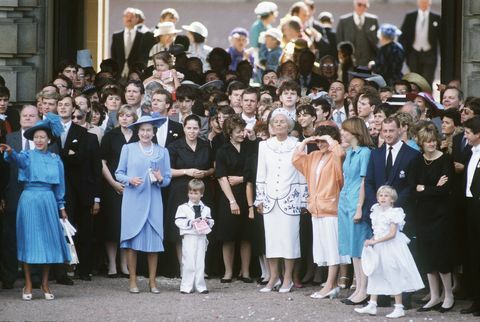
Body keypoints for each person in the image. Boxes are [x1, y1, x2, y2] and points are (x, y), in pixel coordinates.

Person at [0, 113, 71, 300]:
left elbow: (60, 186)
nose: (39, 140)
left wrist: (61, 207)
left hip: (48, 199)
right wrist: (9, 151)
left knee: (48, 242)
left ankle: (45, 284)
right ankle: (29, 284)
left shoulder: (56, 159)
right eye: (36, 137)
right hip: (29, 199)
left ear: (49, 139)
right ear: (33, 139)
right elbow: (17, 160)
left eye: (42, 137)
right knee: (28, 241)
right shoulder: (26, 156)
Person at [292, 125, 350, 299]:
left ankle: (331, 285)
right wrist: (305, 141)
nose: (319, 144)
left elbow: (340, 152)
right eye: (317, 141)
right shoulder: (314, 156)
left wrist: (330, 139)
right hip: (316, 208)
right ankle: (330, 284)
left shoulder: (335, 155)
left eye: (322, 140)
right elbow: (295, 159)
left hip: (331, 207)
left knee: (332, 248)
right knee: (324, 247)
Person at [115, 115, 171, 293]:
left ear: (154, 132)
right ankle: (132, 281)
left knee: (154, 243)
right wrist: (130, 179)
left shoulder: (162, 151)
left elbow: (167, 178)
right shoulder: (128, 148)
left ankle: (152, 282)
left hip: (154, 199)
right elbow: (118, 173)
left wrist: (162, 179)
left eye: (149, 130)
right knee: (132, 242)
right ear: (137, 132)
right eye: (142, 130)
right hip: (133, 199)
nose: (146, 133)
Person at [255, 109, 307, 293]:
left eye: (282, 121)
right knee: (272, 240)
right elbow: (261, 173)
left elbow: (302, 174)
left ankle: (288, 279)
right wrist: (259, 198)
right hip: (270, 198)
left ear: (289, 125)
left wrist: (303, 200)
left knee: (289, 240)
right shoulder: (264, 146)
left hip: (290, 198)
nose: (278, 124)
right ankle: (273, 277)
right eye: (275, 121)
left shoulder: (298, 145)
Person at [354, 186, 424, 319]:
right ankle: (372, 304)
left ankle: (399, 307)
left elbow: (392, 234)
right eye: (381, 195)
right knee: (375, 273)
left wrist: (376, 241)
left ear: (392, 199)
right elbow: (377, 231)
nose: (383, 198)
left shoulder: (395, 212)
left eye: (386, 196)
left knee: (393, 274)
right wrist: (371, 240)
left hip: (391, 247)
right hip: (379, 246)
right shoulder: (376, 211)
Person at [410, 125, 455, 313]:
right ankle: (434, 295)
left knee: (441, 255)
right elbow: (413, 188)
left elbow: (445, 190)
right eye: (427, 140)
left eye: (434, 140)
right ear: (421, 142)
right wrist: (431, 188)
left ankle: (449, 295)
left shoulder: (445, 159)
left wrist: (425, 189)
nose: (431, 143)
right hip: (423, 215)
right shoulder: (416, 161)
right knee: (427, 256)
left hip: (441, 215)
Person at [165, 114, 214, 271]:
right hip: (180, 190)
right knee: (182, 230)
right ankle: (183, 267)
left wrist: (204, 173)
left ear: (200, 129)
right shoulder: (174, 146)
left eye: (195, 128)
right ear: (184, 128)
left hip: (201, 191)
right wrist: (187, 171)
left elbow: (213, 168)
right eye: (189, 128)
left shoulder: (206, 145)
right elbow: (168, 170)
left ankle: (200, 267)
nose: (192, 131)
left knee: (201, 228)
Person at [2, 105, 40, 290]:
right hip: (13, 193)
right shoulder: (9, 138)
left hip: (37, 195)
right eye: (24, 115)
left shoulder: (45, 141)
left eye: (32, 115)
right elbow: (3, 169)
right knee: (10, 236)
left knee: (34, 235)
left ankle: (34, 276)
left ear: (38, 118)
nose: (27, 118)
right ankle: (8, 276)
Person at [215, 115, 256, 284]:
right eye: (238, 132)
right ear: (230, 133)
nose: (242, 134)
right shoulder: (222, 151)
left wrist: (241, 179)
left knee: (246, 236)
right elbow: (221, 177)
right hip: (228, 196)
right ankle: (228, 272)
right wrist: (232, 201)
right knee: (228, 236)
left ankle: (245, 272)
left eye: (243, 131)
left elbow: (254, 171)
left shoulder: (250, 148)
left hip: (248, 193)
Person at [337, 117, 373, 305]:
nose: (342, 133)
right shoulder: (350, 152)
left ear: (355, 132)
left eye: (346, 130)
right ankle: (359, 287)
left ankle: (364, 289)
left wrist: (359, 207)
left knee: (360, 248)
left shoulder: (365, 153)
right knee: (352, 248)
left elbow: (364, 181)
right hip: (345, 201)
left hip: (356, 202)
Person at [100, 105, 138, 278]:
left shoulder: (139, 136)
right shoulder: (110, 136)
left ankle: (124, 264)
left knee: (127, 226)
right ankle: (112, 264)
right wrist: (114, 183)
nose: (124, 118)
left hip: (135, 187)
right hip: (113, 187)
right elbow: (102, 162)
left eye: (128, 115)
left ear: (134, 118)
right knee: (111, 225)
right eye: (121, 115)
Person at [175, 179, 214, 294]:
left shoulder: (206, 209)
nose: (193, 195)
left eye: (196, 193)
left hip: (201, 237)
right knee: (188, 261)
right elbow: (178, 221)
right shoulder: (183, 208)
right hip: (189, 237)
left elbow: (211, 221)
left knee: (200, 261)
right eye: (191, 193)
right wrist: (191, 222)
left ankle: (200, 286)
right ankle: (186, 286)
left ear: (201, 194)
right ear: (188, 193)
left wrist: (206, 221)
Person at [461, 116, 480, 317]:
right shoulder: (471, 152)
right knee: (473, 254)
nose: (465, 136)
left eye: (468, 132)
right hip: (469, 205)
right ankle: (476, 299)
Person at [399, 0, 442, 86]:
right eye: (422, 1)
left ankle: (427, 98)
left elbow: (441, 38)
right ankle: (416, 98)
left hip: (429, 54)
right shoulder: (410, 17)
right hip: (413, 54)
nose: (424, 3)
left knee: (427, 81)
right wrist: (405, 53)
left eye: (426, 1)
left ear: (430, 3)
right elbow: (403, 36)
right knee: (415, 81)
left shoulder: (436, 18)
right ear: (418, 2)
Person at [336, 0, 379, 66]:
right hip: (349, 63)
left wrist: (374, 60)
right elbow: (339, 41)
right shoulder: (344, 21)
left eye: (365, 5)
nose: (362, 7)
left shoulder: (373, 20)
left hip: (368, 63)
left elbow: (377, 41)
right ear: (354, 5)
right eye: (359, 4)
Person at [111, 8, 147, 77]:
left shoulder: (142, 36)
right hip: (119, 73)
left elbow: (143, 56)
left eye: (132, 17)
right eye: (127, 16)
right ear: (123, 18)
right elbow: (114, 56)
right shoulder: (116, 36)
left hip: (135, 73)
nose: (129, 19)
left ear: (136, 19)